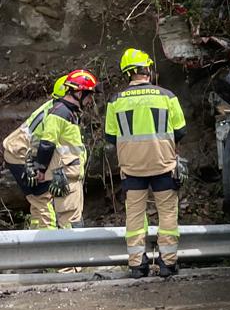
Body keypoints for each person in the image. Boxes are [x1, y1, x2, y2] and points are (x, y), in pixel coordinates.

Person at [104, 48, 188, 279]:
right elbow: (180, 130)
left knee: (134, 215)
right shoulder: (167, 96)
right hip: (163, 164)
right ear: (147, 69)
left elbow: (111, 136)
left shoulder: (116, 101)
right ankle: (167, 263)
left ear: (127, 74)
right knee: (168, 213)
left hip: (132, 168)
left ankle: (137, 265)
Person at [22, 70, 96, 228]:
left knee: (73, 219)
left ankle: (72, 250)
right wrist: (41, 169)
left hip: (71, 176)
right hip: (66, 176)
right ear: (78, 92)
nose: (91, 99)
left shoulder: (69, 112)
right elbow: (47, 143)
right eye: (89, 94)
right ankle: (71, 252)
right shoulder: (60, 112)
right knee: (70, 221)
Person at [3, 75, 68, 226]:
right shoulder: (58, 115)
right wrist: (35, 167)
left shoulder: (54, 108)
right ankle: (47, 240)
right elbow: (50, 144)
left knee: (44, 198)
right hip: (19, 153)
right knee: (41, 198)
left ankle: (41, 234)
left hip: (25, 150)